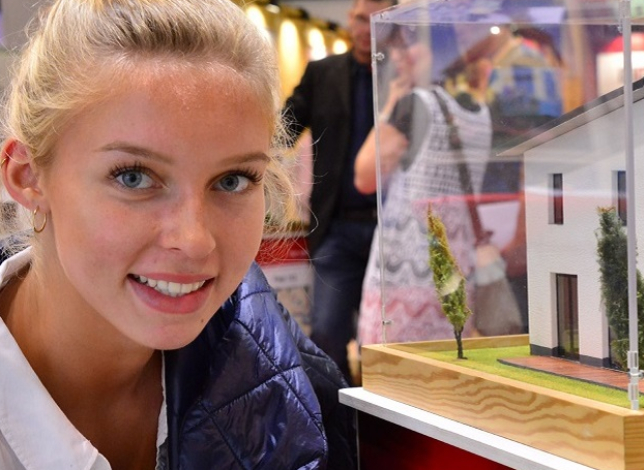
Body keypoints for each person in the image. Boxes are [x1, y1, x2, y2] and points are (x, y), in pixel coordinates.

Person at [0, 1, 355, 469]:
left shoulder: (302, 403)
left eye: (232, 180)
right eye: (133, 177)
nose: (194, 240)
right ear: (27, 177)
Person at [354, 27, 493, 345]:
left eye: (410, 46)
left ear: (439, 51)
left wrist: (390, 104)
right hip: (457, 265)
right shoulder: (479, 110)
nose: (399, 56)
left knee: (393, 365)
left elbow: (365, 176)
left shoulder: (415, 104)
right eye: (397, 48)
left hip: (406, 270)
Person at [283, 0, 396, 383]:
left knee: (387, 338)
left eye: (378, 21)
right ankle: (340, 415)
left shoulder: (404, 81)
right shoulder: (323, 73)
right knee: (328, 333)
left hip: (392, 231)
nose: (368, 29)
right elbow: (284, 128)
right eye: (362, 19)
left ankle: (379, 415)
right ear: (350, 20)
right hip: (337, 228)